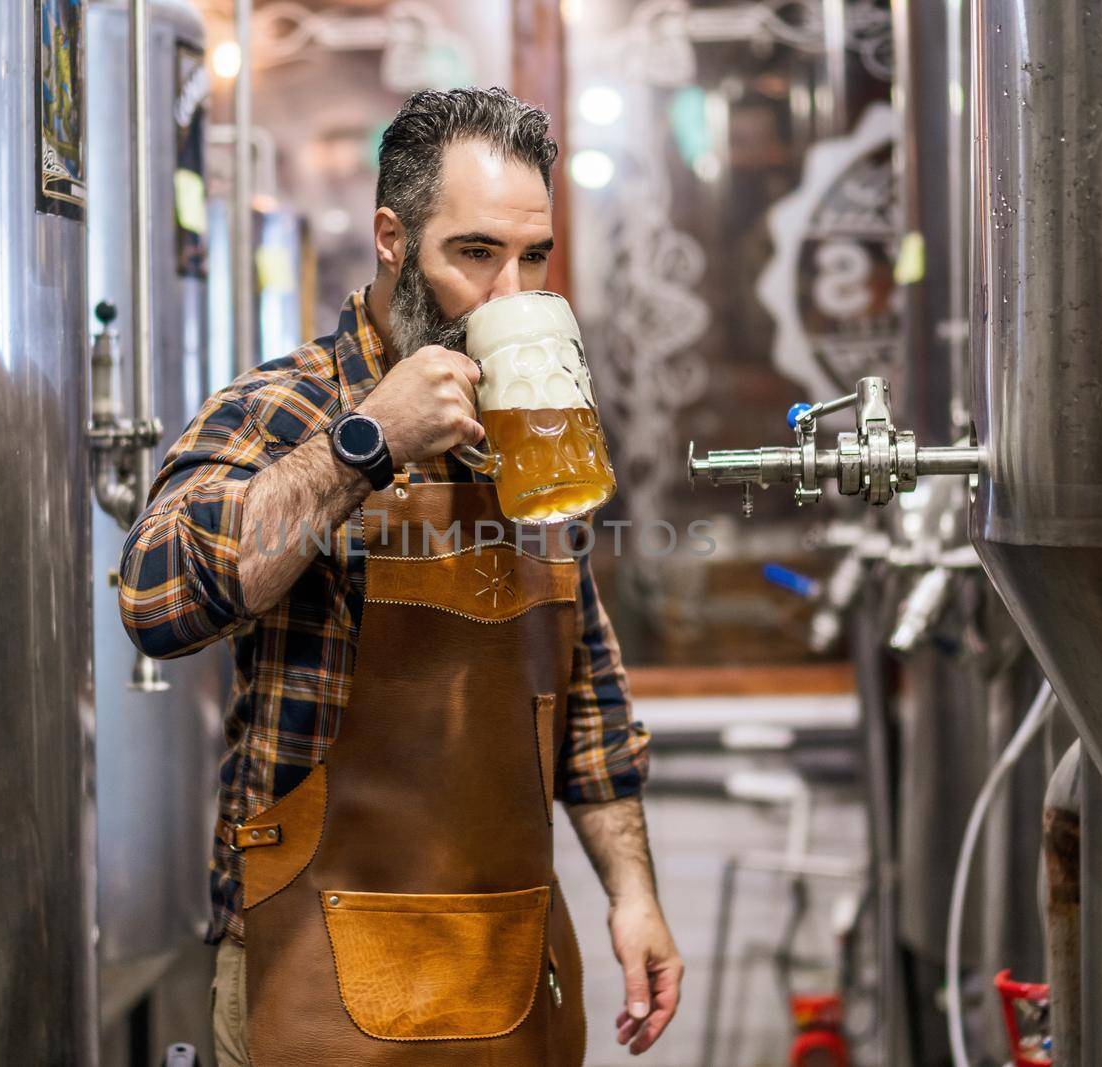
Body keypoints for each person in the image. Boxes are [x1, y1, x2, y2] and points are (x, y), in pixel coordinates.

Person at [119, 86, 681, 1066]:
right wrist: (363, 445)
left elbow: (583, 683)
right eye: (474, 254)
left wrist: (632, 892)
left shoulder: (534, 422)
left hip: (508, 969)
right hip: (315, 969)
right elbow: (156, 596)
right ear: (391, 237)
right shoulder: (289, 406)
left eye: (533, 256)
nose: (513, 293)